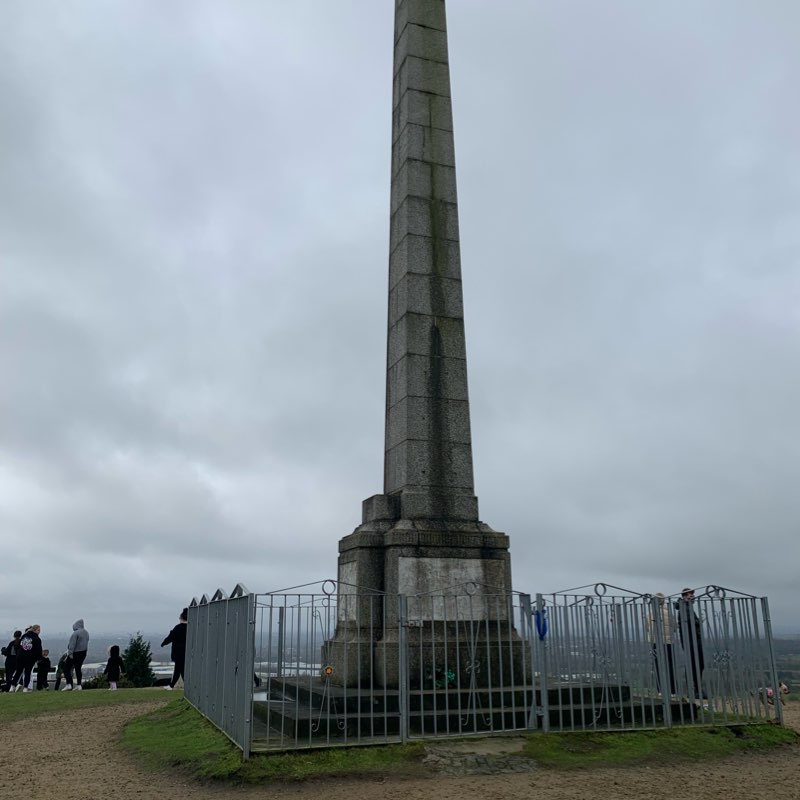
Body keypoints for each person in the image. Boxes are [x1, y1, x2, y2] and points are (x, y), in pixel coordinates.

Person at [675, 587, 705, 699]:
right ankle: (693, 690)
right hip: (690, 641)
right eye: (689, 595)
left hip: (694, 639)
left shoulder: (688, 607)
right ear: (684, 597)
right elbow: (689, 622)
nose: (692, 596)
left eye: (692, 594)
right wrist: (698, 622)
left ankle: (697, 689)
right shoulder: (684, 607)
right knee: (694, 664)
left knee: (699, 664)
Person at [646, 593, 676, 696]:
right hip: (668, 642)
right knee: (670, 666)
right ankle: (672, 690)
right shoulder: (669, 613)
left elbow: (647, 627)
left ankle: (660, 690)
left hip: (655, 642)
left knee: (658, 666)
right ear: (663, 601)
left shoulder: (650, 613)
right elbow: (675, 627)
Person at [160, 608, 188, 690]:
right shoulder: (190, 628)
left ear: (181, 618)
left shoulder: (178, 628)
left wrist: (163, 643)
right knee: (181, 670)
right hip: (187, 652)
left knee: (178, 669)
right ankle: (184, 686)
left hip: (178, 652)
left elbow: (170, 637)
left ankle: (171, 686)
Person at [11, 625, 43, 692]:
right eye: (38, 630)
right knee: (27, 672)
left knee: (18, 672)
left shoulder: (24, 636)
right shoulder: (37, 639)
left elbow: (19, 645)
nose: (39, 631)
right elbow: (39, 650)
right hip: (30, 658)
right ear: (35, 630)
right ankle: (25, 688)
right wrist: (39, 659)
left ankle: (12, 686)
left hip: (20, 656)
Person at [62, 618, 90, 691]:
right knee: (78, 668)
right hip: (83, 652)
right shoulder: (86, 632)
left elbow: (72, 644)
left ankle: (69, 684)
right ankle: (79, 685)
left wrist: (70, 654)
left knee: (66, 668)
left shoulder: (76, 633)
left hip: (75, 653)